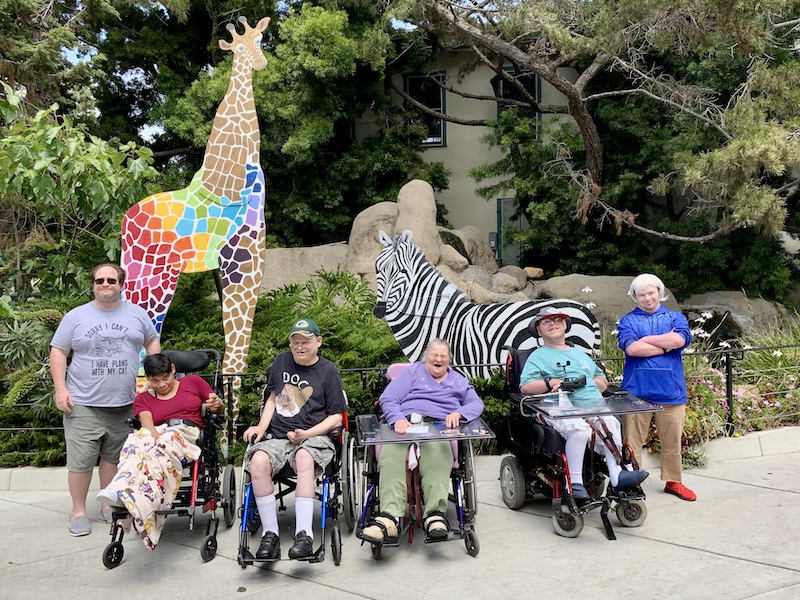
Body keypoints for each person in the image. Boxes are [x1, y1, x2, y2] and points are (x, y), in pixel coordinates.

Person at [50, 263, 160, 537]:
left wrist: (150, 378)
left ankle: (107, 506)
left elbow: (152, 342)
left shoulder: (137, 314)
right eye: (100, 280)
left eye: (111, 279)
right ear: (93, 284)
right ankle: (77, 512)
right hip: (83, 403)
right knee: (81, 462)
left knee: (113, 458)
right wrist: (60, 389)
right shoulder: (76, 317)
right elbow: (58, 351)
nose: (105, 284)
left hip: (123, 403)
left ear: (121, 284)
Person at [360, 339, 484, 545]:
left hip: (438, 427)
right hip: (404, 423)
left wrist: (459, 413)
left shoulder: (457, 380)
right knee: (391, 457)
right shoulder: (412, 373)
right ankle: (389, 518)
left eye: (443, 356)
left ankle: (435, 516)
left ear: (449, 360)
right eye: (434, 354)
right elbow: (388, 398)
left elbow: (476, 403)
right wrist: (397, 418)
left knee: (437, 455)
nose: (438, 359)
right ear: (426, 356)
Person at [95, 353, 224, 549]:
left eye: (165, 378)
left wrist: (217, 405)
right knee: (134, 443)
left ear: (173, 370)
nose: (162, 384)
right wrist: (152, 438)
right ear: (147, 379)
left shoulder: (193, 383)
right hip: (156, 434)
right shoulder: (143, 399)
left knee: (162, 443)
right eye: (155, 381)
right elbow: (147, 425)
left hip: (185, 433)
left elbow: (216, 407)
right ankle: (119, 489)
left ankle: (140, 498)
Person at [242, 318, 346, 561]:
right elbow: (272, 398)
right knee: (257, 461)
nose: (299, 347)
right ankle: (270, 535)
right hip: (278, 436)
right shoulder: (281, 361)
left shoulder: (328, 371)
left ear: (318, 342)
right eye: (295, 342)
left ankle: (304, 534)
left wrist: (306, 435)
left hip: (315, 437)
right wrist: (260, 426)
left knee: (303, 456)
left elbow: (336, 418)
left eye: (305, 342)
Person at [519, 306, 649, 499]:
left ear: (565, 325)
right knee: (579, 430)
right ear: (538, 330)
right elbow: (526, 387)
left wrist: (599, 383)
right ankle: (575, 484)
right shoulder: (537, 356)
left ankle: (617, 475)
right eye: (547, 322)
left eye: (558, 320)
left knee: (612, 423)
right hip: (559, 405)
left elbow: (602, 380)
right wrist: (551, 382)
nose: (553, 324)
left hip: (591, 403)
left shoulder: (580, 353)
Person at [618, 273, 696, 501]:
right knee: (632, 443)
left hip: (671, 392)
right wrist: (664, 345)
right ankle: (632, 483)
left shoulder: (676, 318)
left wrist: (647, 341)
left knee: (672, 441)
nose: (647, 298)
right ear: (634, 297)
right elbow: (632, 349)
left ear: (660, 293)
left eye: (651, 293)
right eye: (641, 295)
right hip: (637, 392)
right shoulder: (627, 321)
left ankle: (674, 482)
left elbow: (679, 341)